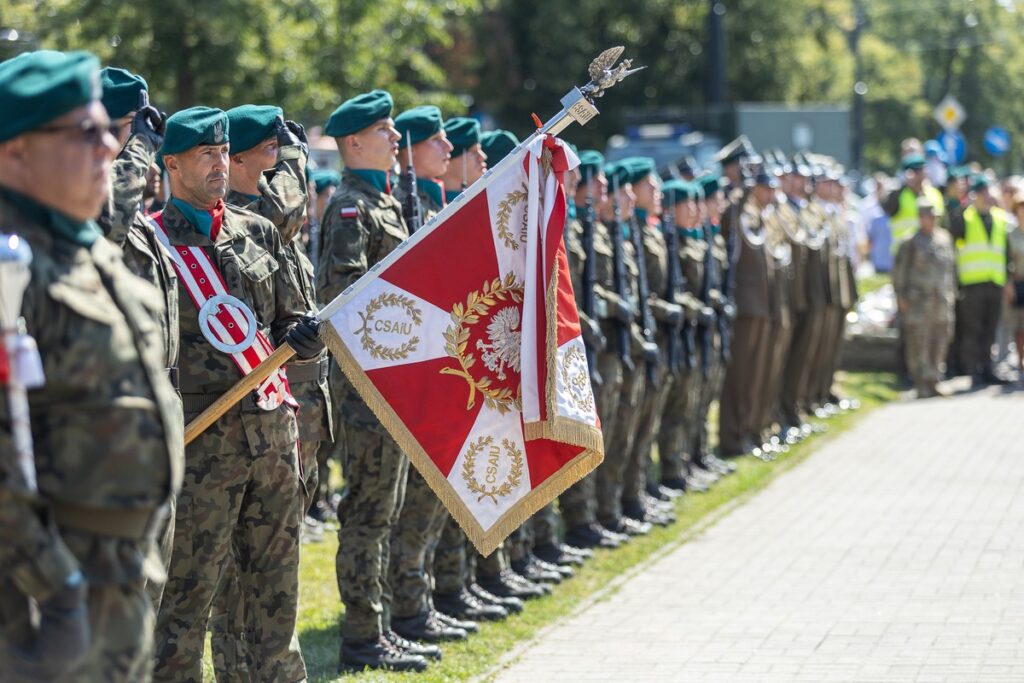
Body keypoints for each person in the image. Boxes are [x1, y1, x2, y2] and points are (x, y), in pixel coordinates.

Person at [0, 49, 182, 682]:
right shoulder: (10, 266)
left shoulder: (86, 252)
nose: (111, 145)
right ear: (14, 150)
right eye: (85, 131)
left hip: (118, 575)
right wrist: (57, 586)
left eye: (110, 127)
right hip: (40, 598)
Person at [151, 106, 319, 683]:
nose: (220, 164)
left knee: (274, 592)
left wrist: (304, 337)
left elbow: (294, 322)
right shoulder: (149, 243)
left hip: (271, 439)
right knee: (186, 602)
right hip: (201, 449)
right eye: (206, 154)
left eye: (224, 152)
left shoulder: (259, 231)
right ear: (171, 163)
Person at [315, 89, 435, 673]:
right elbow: (349, 299)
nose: (395, 140)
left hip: (394, 381)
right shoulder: (350, 210)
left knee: (385, 510)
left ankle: (384, 625)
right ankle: (362, 635)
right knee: (367, 511)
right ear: (354, 141)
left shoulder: (385, 204)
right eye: (385, 131)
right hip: (367, 387)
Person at [386, 105, 479, 646]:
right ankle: (404, 610)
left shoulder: (434, 203)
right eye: (439, 143)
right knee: (397, 508)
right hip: (404, 378)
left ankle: (435, 595)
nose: (450, 153)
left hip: (443, 372)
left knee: (438, 495)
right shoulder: (396, 203)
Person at [947, 175, 1013, 386]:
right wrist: (962, 201)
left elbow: (1007, 253)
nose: (985, 197)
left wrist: (1008, 280)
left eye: (987, 192)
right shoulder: (965, 217)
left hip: (994, 282)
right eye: (980, 193)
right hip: (972, 283)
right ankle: (972, 369)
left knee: (990, 328)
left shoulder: (1000, 218)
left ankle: (987, 368)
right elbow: (953, 231)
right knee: (972, 329)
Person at [892, 198, 956, 398]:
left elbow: (951, 270)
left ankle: (935, 378)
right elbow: (899, 273)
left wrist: (952, 293)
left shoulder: (944, 239)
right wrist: (901, 297)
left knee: (941, 338)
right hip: (918, 301)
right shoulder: (909, 243)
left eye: (934, 216)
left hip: (941, 300)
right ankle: (921, 383)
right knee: (918, 342)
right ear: (920, 218)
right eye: (928, 216)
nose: (932, 220)